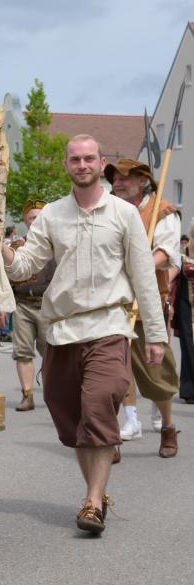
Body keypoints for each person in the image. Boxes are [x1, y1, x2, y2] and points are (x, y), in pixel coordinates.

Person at [3, 135, 166, 535]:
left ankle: (93, 501)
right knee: (73, 417)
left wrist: (155, 334)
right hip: (61, 330)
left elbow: (144, 276)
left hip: (109, 325)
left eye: (89, 158)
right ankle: (94, 492)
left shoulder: (123, 214)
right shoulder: (54, 215)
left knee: (98, 405)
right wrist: (0, 248)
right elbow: (25, 266)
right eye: (75, 159)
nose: (82, 164)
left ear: (99, 163)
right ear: (67, 165)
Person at [104, 158, 181, 457]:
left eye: (125, 178)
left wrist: (137, 268)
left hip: (147, 302)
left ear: (142, 181)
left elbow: (165, 252)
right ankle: (110, 436)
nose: (117, 183)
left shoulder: (162, 210)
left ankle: (168, 427)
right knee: (110, 372)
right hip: (112, 303)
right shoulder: (109, 208)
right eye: (115, 178)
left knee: (156, 372)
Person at [8, 200, 56, 412]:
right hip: (23, 305)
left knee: (52, 354)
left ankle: (55, 395)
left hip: (48, 305)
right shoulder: (18, 247)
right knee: (23, 352)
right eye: (32, 217)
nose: (36, 221)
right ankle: (27, 395)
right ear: (25, 222)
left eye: (39, 217)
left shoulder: (56, 244)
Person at [177, 226, 194, 404]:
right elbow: (173, 276)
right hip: (185, 304)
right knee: (188, 345)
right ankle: (189, 390)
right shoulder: (183, 252)